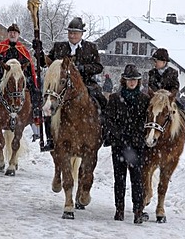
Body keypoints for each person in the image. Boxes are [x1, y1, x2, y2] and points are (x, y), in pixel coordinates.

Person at [34, 17, 107, 151]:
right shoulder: (59, 47)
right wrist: (39, 52)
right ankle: (50, 138)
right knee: (49, 107)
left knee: (101, 101)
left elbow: (98, 67)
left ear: (81, 34)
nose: (72, 35)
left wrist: (83, 68)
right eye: (70, 32)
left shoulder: (91, 48)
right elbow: (46, 63)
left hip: (86, 84)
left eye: (75, 33)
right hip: (62, 86)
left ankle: (104, 132)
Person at [105, 64, 150, 224]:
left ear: (138, 81)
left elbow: (146, 121)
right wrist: (118, 135)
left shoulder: (145, 100)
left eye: (135, 80)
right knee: (119, 179)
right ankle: (119, 209)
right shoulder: (115, 98)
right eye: (130, 80)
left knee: (137, 179)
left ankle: (138, 210)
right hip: (119, 146)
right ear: (124, 80)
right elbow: (109, 120)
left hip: (136, 146)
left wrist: (138, 136)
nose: (132, 83)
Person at [0, 23, 39, 129]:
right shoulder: (0, 47)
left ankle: (35, 111)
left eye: (15, 33)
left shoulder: (22, 49)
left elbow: (28, 63)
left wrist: (23, 65)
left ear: (18, 35)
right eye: (10, 33)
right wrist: (1, 62)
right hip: (3, 73)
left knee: (33, 87)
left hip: (19, 74)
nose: (12, 34)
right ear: (8, 34)